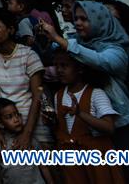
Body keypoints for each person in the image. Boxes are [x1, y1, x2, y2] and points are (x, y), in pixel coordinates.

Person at [38, 1, 129, 184]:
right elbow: (58, 53)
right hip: (93, 127)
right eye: (76, 18)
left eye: (85, 19)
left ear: (100, 21)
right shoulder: (79, 42)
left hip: (122, 124)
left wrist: (60, 40)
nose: (77, 23)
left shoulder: (116, 49)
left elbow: (100, 61)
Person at [0, 8, 50, 149]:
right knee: (16, 169)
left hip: (33, 120)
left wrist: (27, 133)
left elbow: (37, 95)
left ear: (10, 30)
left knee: (46, 166)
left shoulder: (28, 55)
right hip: (5, 123)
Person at [51, 49, 123, 184]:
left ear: (79, 69)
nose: (59, 70)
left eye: (64, 66)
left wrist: (80, 114)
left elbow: (109, 127)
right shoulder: (58, 95)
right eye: (57, 66)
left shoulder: (96, 93)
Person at [0, 98, 53, 184]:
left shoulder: (30, 140)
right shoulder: (0, 144)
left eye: (17, 114)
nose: (16, 119)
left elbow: (43, 167)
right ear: (0, 123)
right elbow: (0, 171)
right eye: (9, 117)